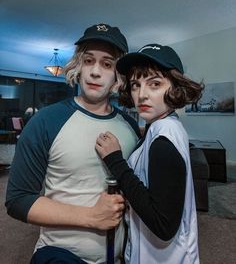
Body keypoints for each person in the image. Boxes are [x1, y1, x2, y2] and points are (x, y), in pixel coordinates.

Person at [5, 23, 140, 264]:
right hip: (60, 255)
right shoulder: (45, 122)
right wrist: (91, 216)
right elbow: (18, 199)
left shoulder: (130, 127)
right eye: (88, 61)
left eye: (107, 64)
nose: (95, 72)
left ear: (118, 75)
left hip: (119, 256)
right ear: (78, 65)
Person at [95, 44, 204, 264]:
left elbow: (163, 225)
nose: (142, 95)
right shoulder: (165, 124)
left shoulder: (163, 138)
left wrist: (115, 160)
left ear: (175, 87)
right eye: (135, 85)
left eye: (154, 84)